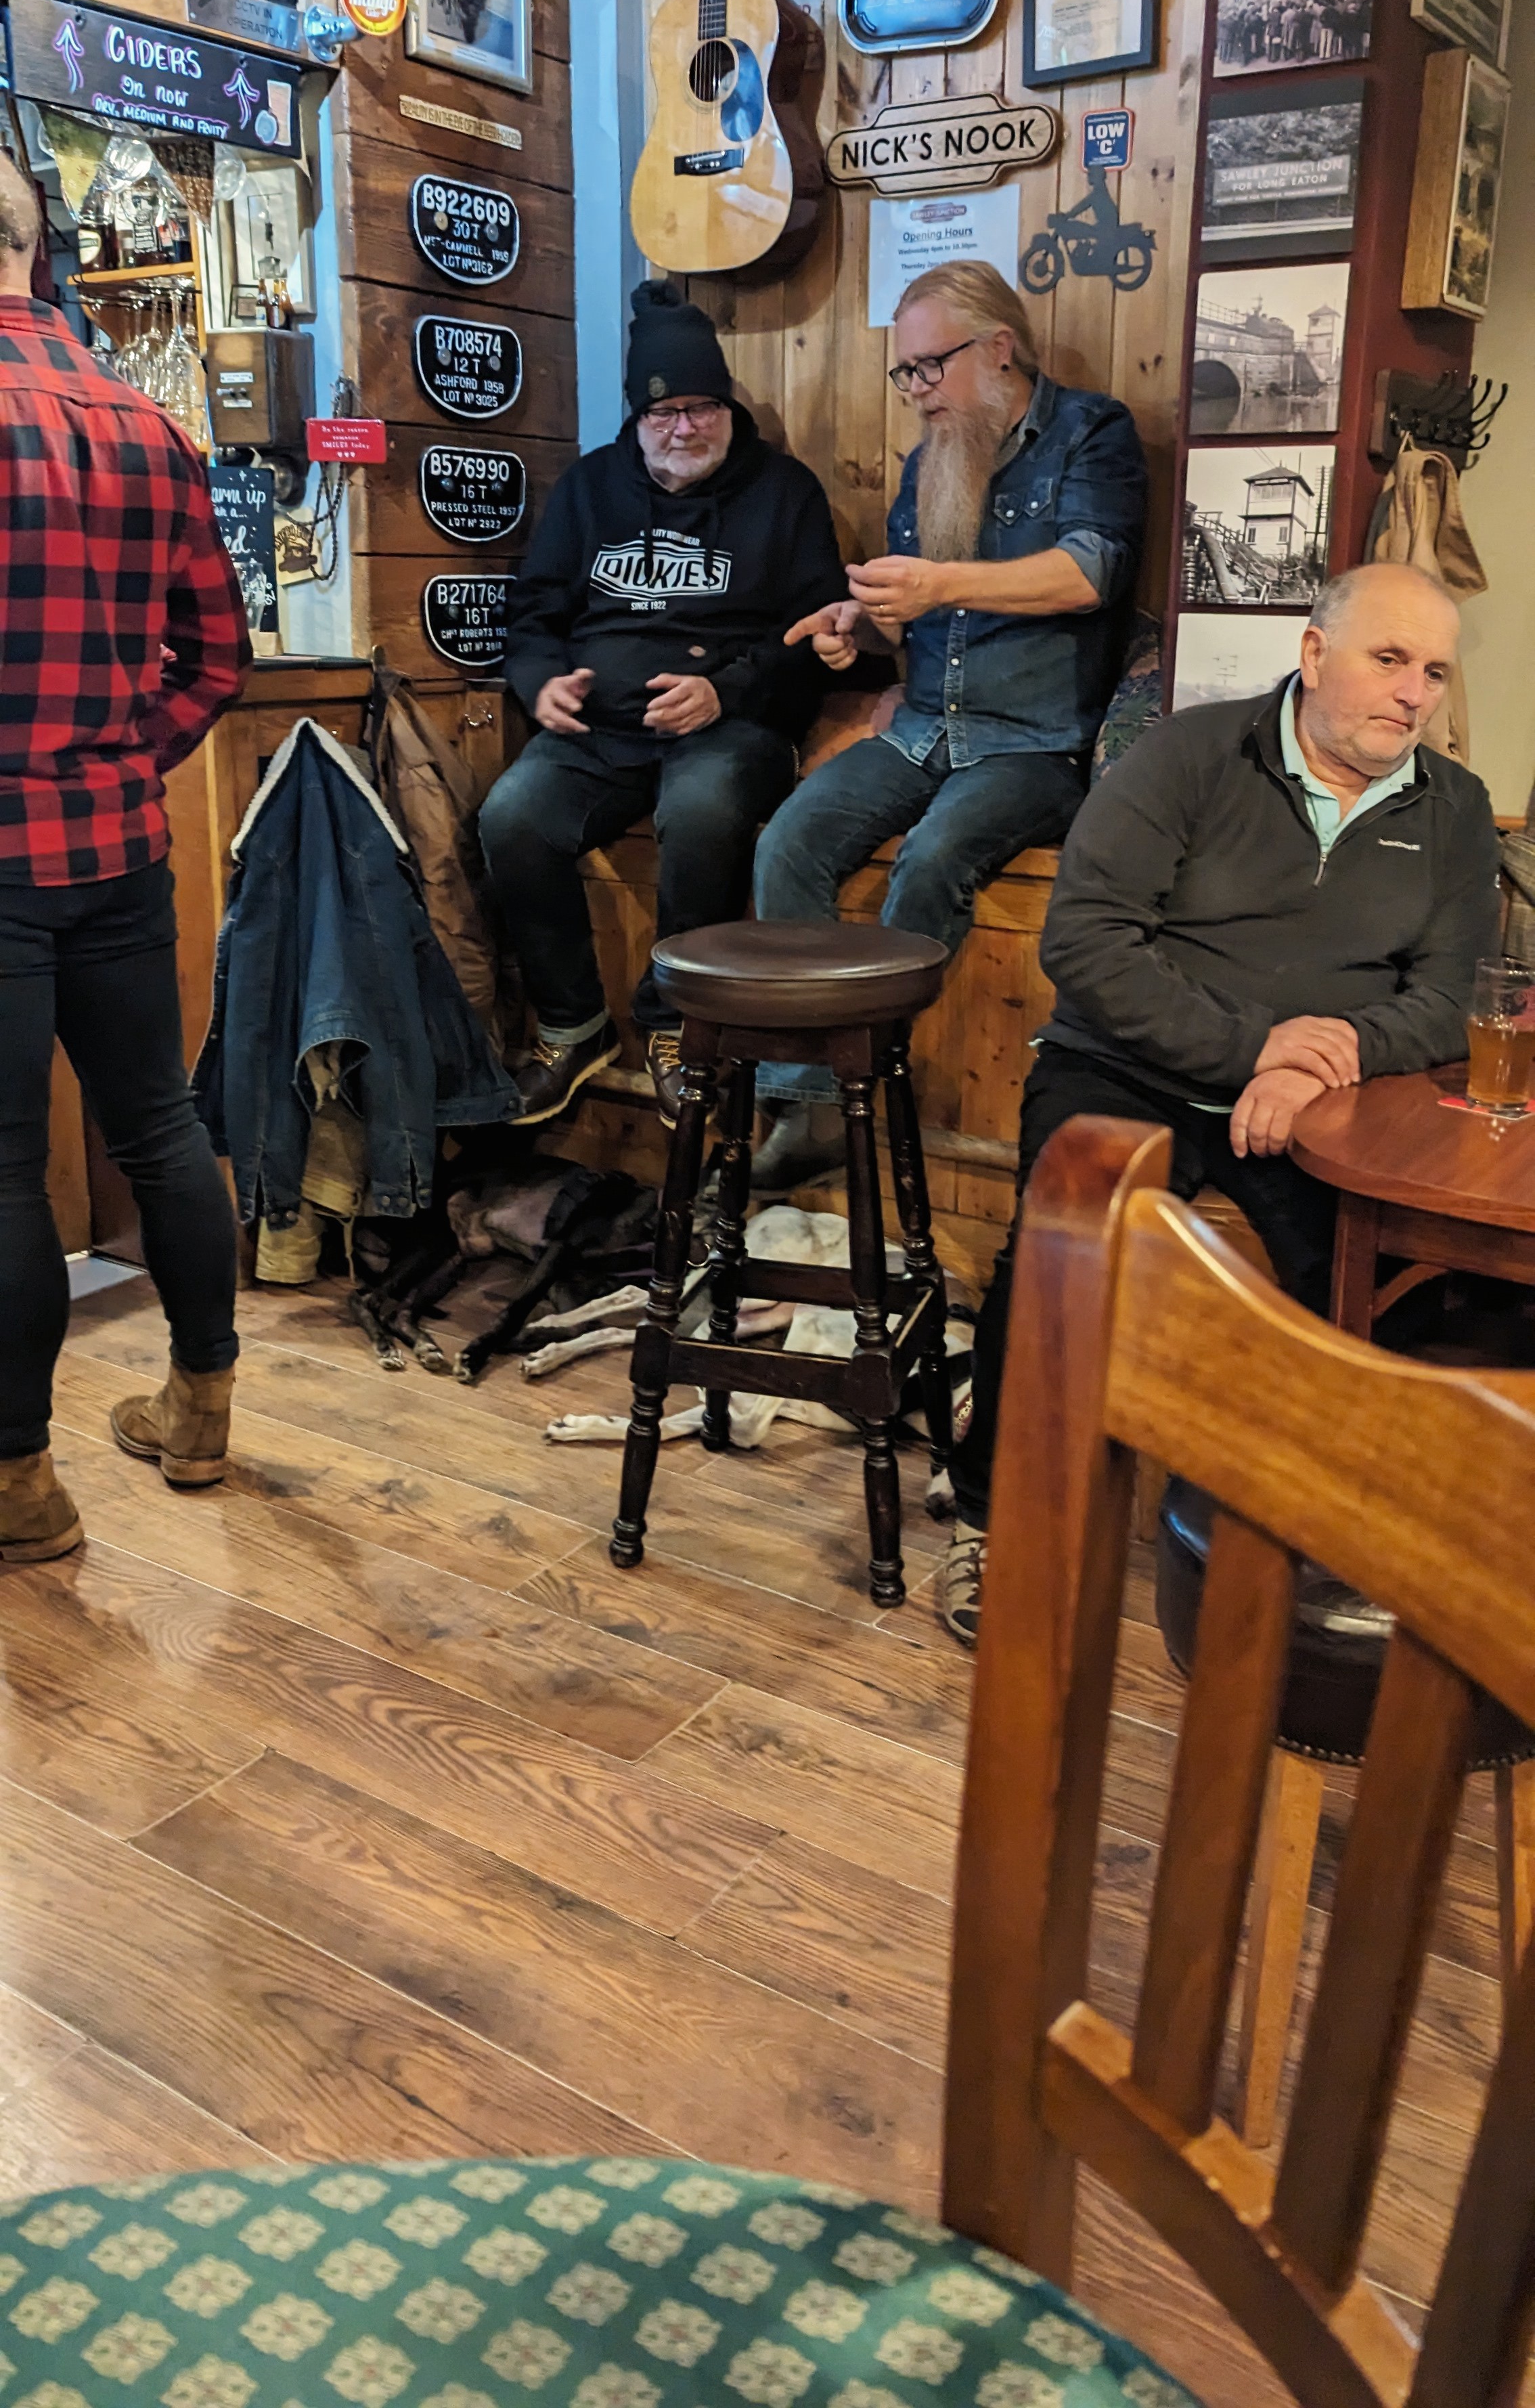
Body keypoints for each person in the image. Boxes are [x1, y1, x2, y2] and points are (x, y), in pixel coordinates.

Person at [937, 563, 1501, 1647]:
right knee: (1066, 1252)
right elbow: (1085, 943)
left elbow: (1448, 999)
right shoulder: (1188, 755)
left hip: (1325, 1095)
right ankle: (989, 1511)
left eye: (1434, 672)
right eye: (1390, 659)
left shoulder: (1454, 807)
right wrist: (1253, 1050)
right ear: (1315, 654)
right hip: (1130, 1066)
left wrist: (1328, 1056)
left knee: (1381, 1278)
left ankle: (1306, 1533)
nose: (1413, 693)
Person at [749, 259, 1147, 1189]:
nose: (918, 390)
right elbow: (909, 617)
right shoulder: (929, 462)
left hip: (1035, 742)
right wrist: (859, 626)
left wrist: (936, 584)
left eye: (931, 366)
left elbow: (1090, 573)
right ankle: (809, 1102)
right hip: (923, 724)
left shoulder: (1092, 432)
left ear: (1000, 349)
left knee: (933, 857)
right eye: (906, 372)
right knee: (787, 841)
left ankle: (865, 1077)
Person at [0, 148, 251, 1554]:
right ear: (36, 244)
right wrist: (118, 759)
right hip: (116, 846)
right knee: (160, 1125)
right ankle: (200, 1411)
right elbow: (217, 656)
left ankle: (20, 1486)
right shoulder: (143, 418)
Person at [480, 282, 846, 1128]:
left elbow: (819, 637)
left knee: (704, 809)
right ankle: (573, 1026)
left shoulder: (786, 493)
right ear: (637, 418)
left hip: (734, 726)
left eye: (701, 407)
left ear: (727, 407)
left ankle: (679, 1026)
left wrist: (725, 690)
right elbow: (532, 611)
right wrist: (540, 680)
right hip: (599, 730)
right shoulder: (589, 488)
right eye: (663, 413)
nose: (684, 428)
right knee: (511, 816)